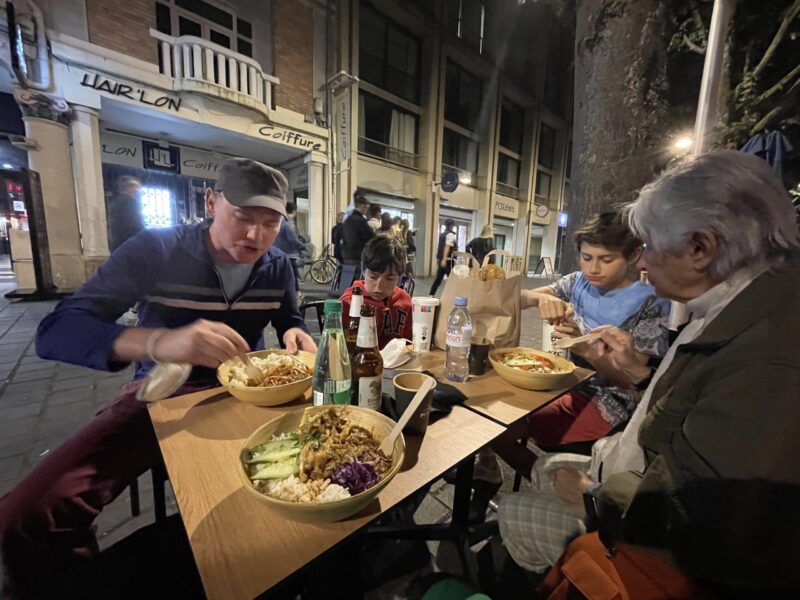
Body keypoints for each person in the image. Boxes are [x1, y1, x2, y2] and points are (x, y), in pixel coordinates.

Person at [0, 158, 317, 599]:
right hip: (163, 400)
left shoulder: (278, 265)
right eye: (242, 218)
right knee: (28, 515)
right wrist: (159, 343)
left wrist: (293, 330)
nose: (255, 236)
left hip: (245, 398)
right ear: (211, 201)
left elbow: (287, 315)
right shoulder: (157, 249)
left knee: (292, 497)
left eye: (270, 223)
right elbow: (57, 331)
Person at [500, 151, 800, 596]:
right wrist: (642, 372)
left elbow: (706, 522)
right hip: (625, 474)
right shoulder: (733, 307)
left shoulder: (770, 352)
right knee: (539, 462)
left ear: (701, 247)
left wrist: (593, 495)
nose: (646, 263)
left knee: (512, 510)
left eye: (652, 248)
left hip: (646, 544)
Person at [340, 235, 413, 349]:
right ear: (364, 271)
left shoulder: (404, 301)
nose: (379, 287)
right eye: (373, 277)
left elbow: (409, 344)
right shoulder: (349, 303)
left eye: (389, 278)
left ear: (399, 277)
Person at [273, 201, 307, 292]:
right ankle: (295, 294)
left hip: (277, 253)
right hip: (289, 254)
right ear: (294, 211)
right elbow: (293, 239)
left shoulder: (279, 221)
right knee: (293, 276)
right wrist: (303, 246)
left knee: (283, 276)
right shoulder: (289, 223)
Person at [107, 175, 144, 252]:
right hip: (131, 245)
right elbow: (135, 224)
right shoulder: (131, 202)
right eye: (136, 187)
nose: (138, 190)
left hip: (118, 246)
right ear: (130, 187)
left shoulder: (115, 203)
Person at [342, 192, 374, 265]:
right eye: (367, 208)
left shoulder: (347, 220)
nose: (366, 211)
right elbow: (370, 237)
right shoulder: (360, 220)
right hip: (358, 256)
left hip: (346, 256)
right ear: (363, 206)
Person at [429, 219, 457, 296]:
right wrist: (444, 259)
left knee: (438, 279)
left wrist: (442, 259)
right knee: (452, 280)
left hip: (441, 259)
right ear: (451, 226)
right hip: (448, 261)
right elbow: (447, 247)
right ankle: (452, 296)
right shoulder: (450, 235)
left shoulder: (442, 234)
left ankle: (431, 294)